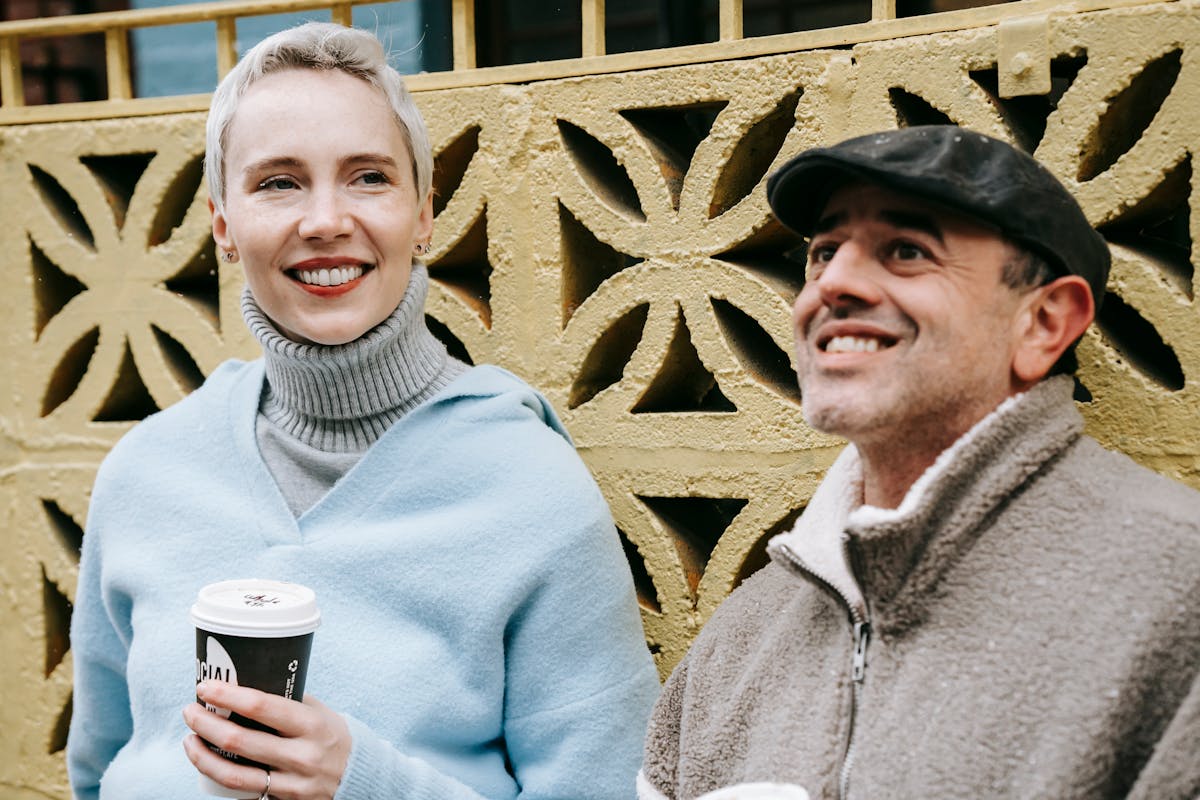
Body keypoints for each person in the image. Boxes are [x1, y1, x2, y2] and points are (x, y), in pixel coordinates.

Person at [67, 22, 659, 800]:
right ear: (223, 225)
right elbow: (97, 771)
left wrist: (369, 782)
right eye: (278, 181)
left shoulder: (531, 488)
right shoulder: (145, 472)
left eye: (369, 177)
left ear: (423, 215)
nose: (325, 221)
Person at [638, 126, 1200, 800]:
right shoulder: (744, 633)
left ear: (1044, 322)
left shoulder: (1175, 591)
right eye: (822, 252)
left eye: (906, 251)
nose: (832, 284)